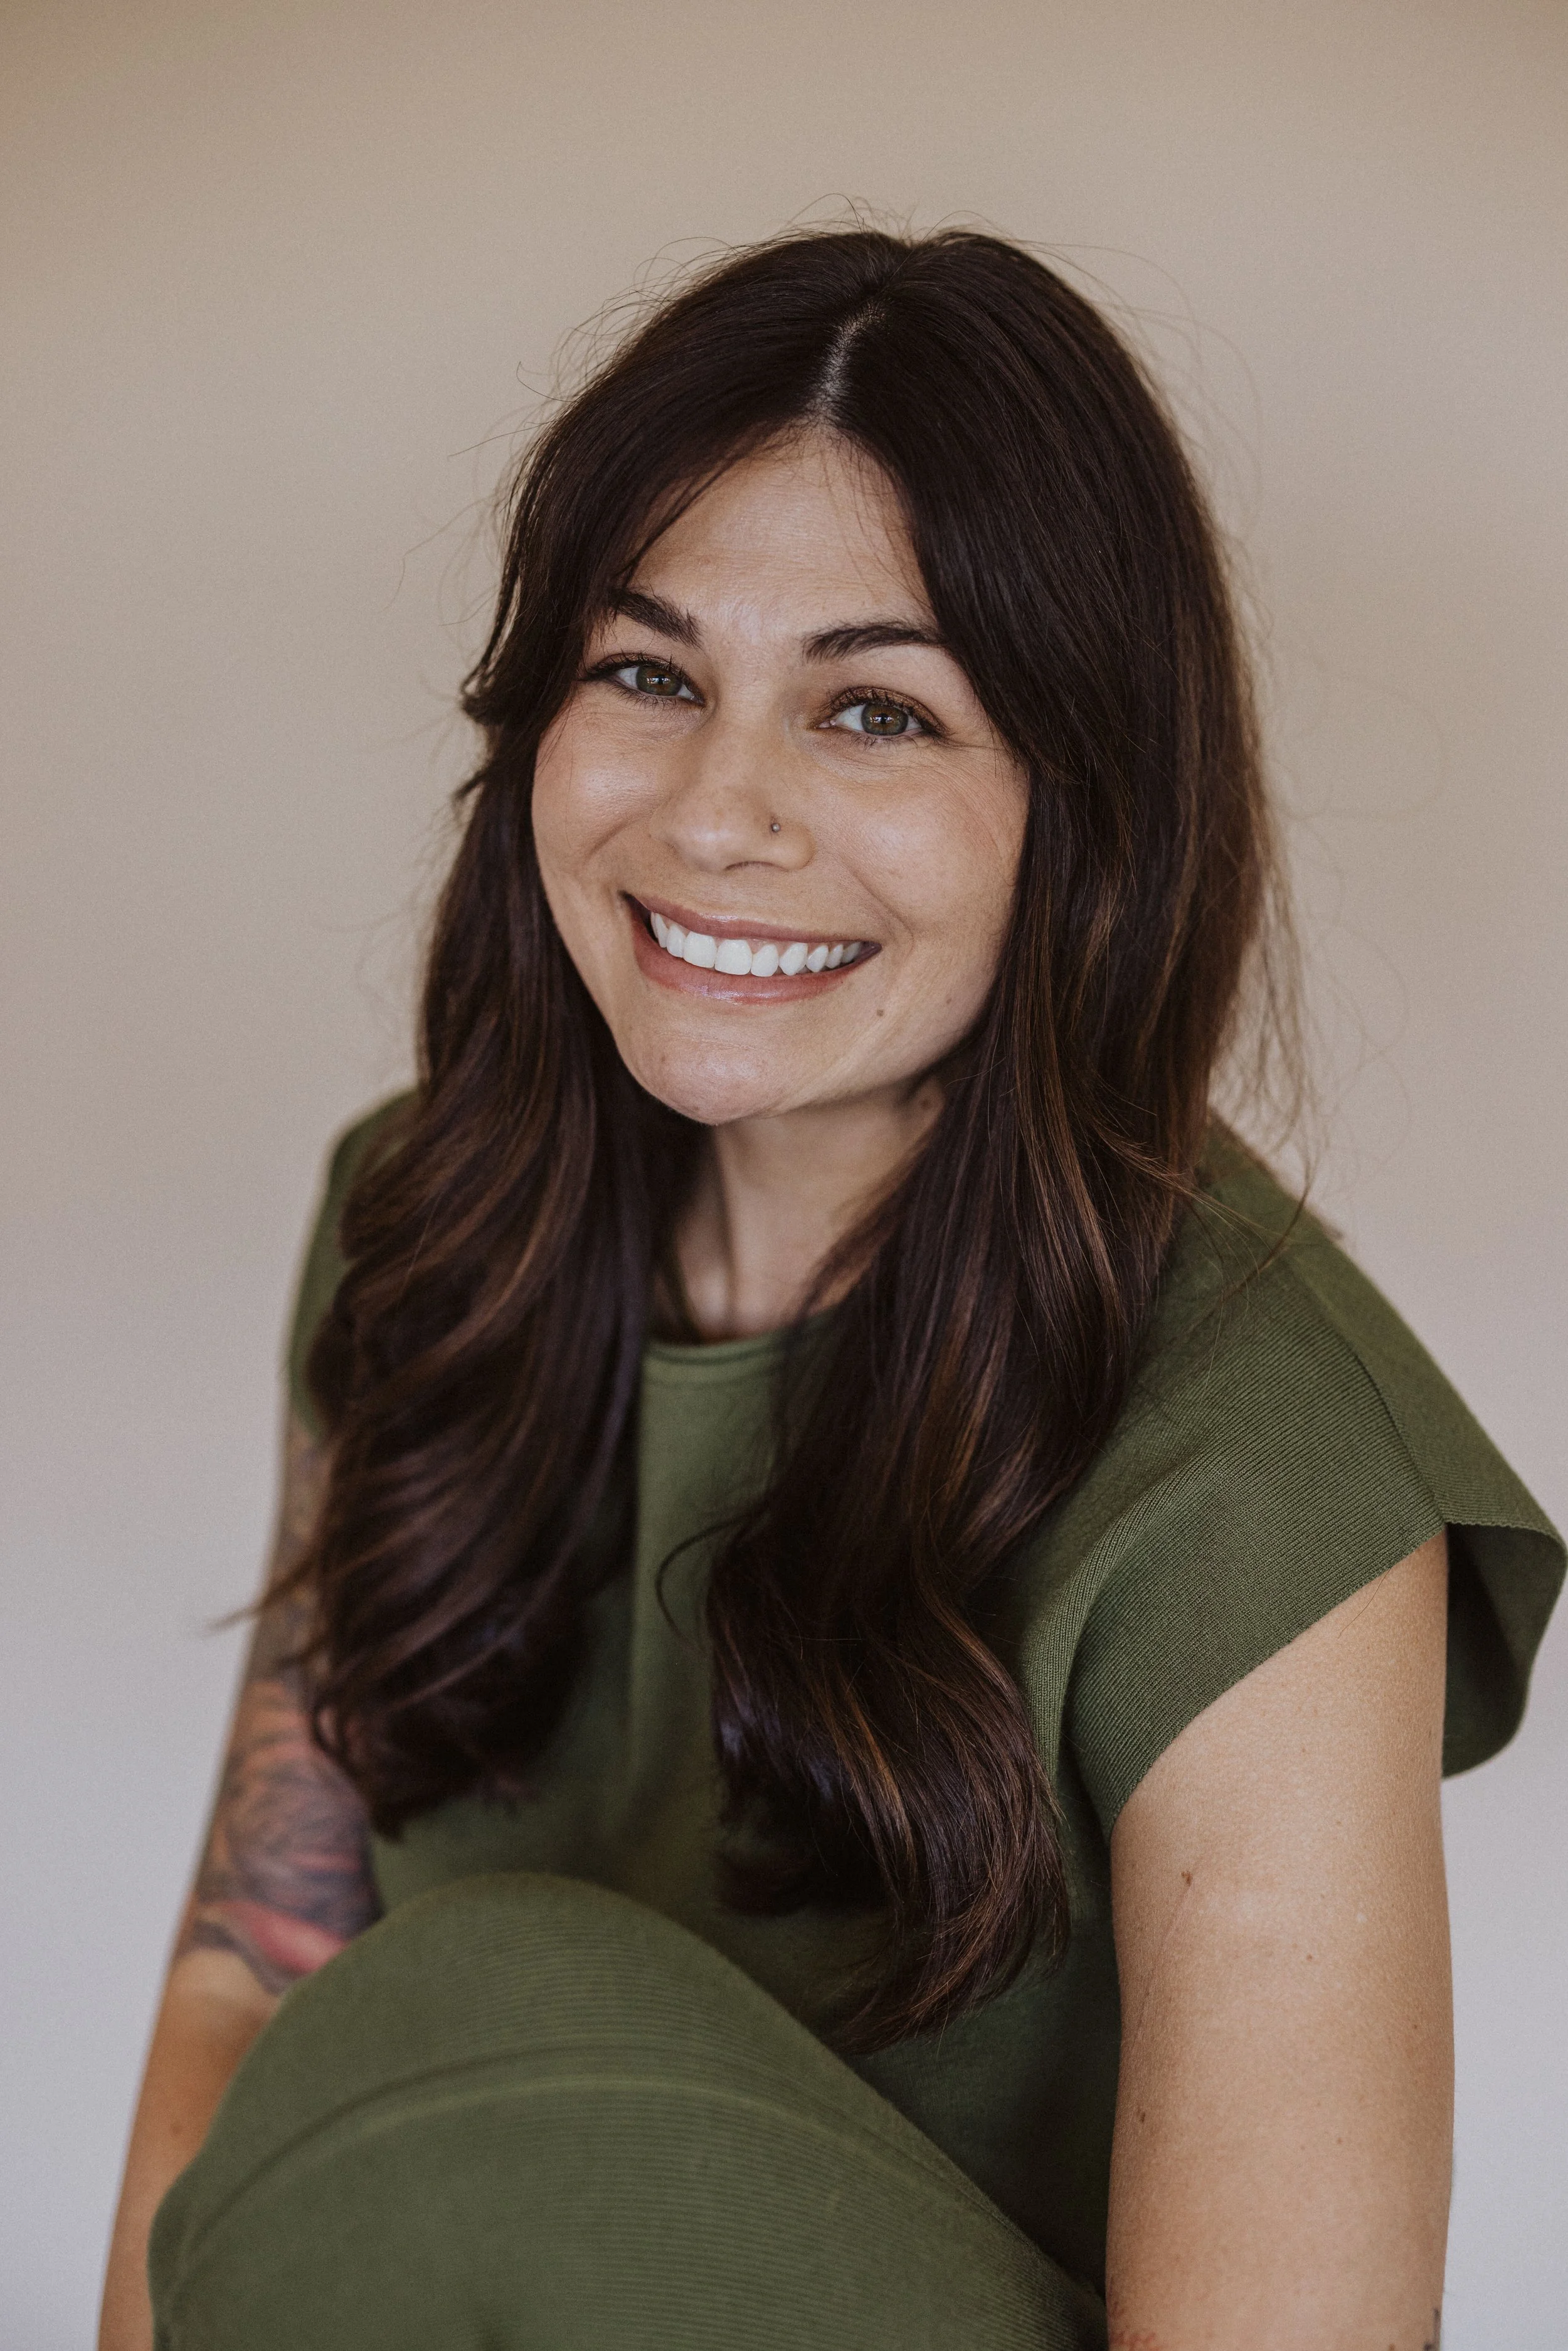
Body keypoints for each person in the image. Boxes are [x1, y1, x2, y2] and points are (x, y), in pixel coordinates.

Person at [101, 228, 1562, 2351]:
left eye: (876, 709)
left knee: (486, 2023)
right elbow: (252, 1977)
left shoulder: (1264, 1473)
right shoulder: (420, 1227)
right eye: (647, 672)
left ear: (1088, 817)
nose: (720, 812)